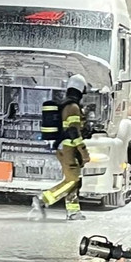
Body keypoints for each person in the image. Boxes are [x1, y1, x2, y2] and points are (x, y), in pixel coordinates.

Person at [31, 74, 90, 220]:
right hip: (69, 149)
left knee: (74, 181)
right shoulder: (73, 107)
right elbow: (73, 131)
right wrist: (83, 152)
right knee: (72, 180)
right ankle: (43, 199)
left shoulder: (66, 104)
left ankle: (73, 212)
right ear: (80, 90)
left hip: (65, 148)